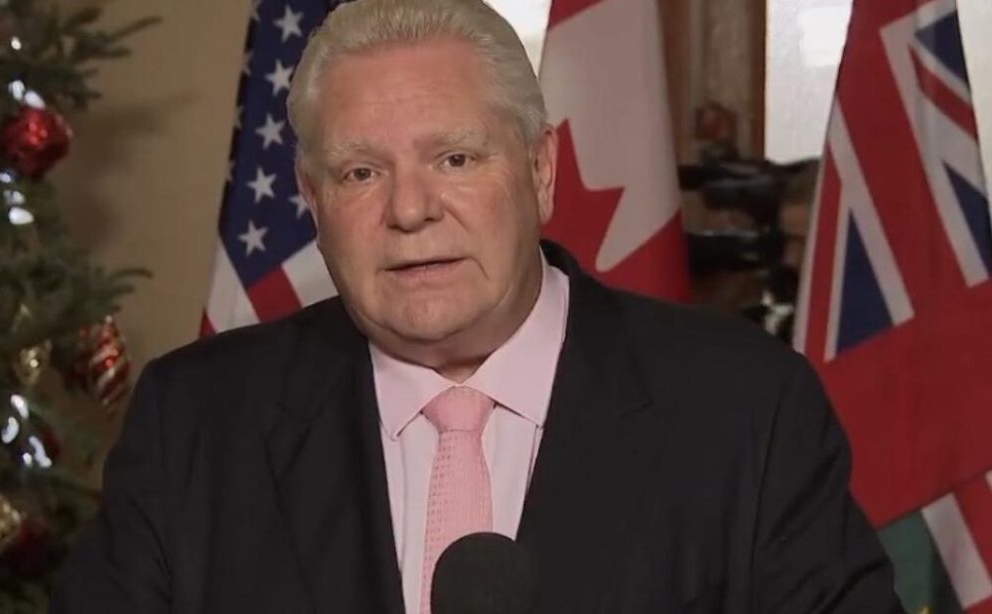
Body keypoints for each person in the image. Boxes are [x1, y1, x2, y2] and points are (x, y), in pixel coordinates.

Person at [51, 0, 903, 612]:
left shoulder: (746, 410)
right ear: (312, 200)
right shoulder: (195, 423)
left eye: (455, 159)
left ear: (540, 170)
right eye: (360, 172)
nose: (409, 209)